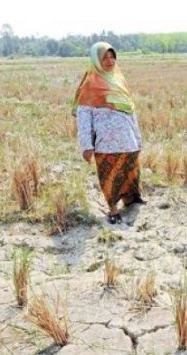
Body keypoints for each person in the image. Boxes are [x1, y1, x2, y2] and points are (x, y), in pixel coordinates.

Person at [73, 41, 144, 225]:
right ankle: (113, 209)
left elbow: (131, 110)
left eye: (112, 56)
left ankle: (131, 199)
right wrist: (86, 145)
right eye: (105, 57)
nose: (110, 60)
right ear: (96, 59)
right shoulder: (89, 84)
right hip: (106, 142)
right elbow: (83, 117)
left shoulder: (119, 80)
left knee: (131, 169)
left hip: (128, 138)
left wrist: (137, 138)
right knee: (109, 174)